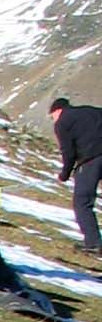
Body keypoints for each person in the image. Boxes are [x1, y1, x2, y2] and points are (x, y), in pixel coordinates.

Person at [49, 96, 102, 257]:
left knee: (82, 202)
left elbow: (68, 152)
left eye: (52, 117)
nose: (53, 120)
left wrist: (64, 174)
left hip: (91, 161)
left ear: (57, 111)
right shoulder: (93, 111)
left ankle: (93, 243)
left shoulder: (62, 122)